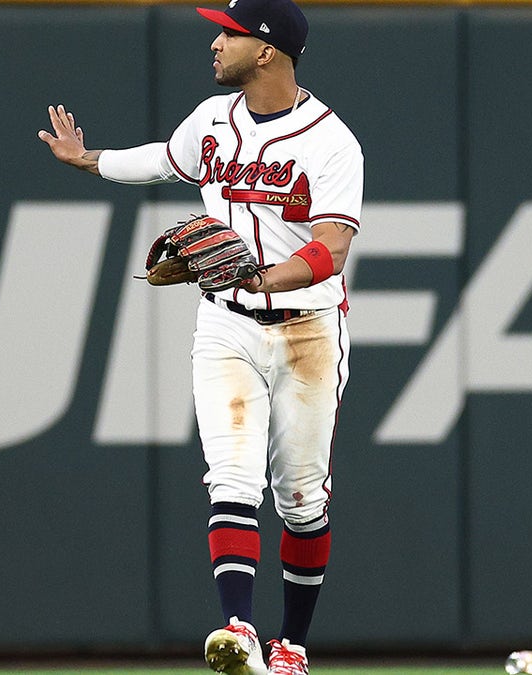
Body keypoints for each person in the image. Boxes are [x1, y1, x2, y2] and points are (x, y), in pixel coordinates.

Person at [38, 0, 361, 673]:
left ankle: (292, 646)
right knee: (231, 478)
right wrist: (88, 160)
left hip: (307, 331)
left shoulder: (332, 141)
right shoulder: (214, 119)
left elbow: (333, 245)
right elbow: (165, 159)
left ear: (266, 50)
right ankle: (239, 629)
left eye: (230, 33)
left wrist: (269, 277)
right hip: (225, 324)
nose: (215, 42)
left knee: (301, 497)